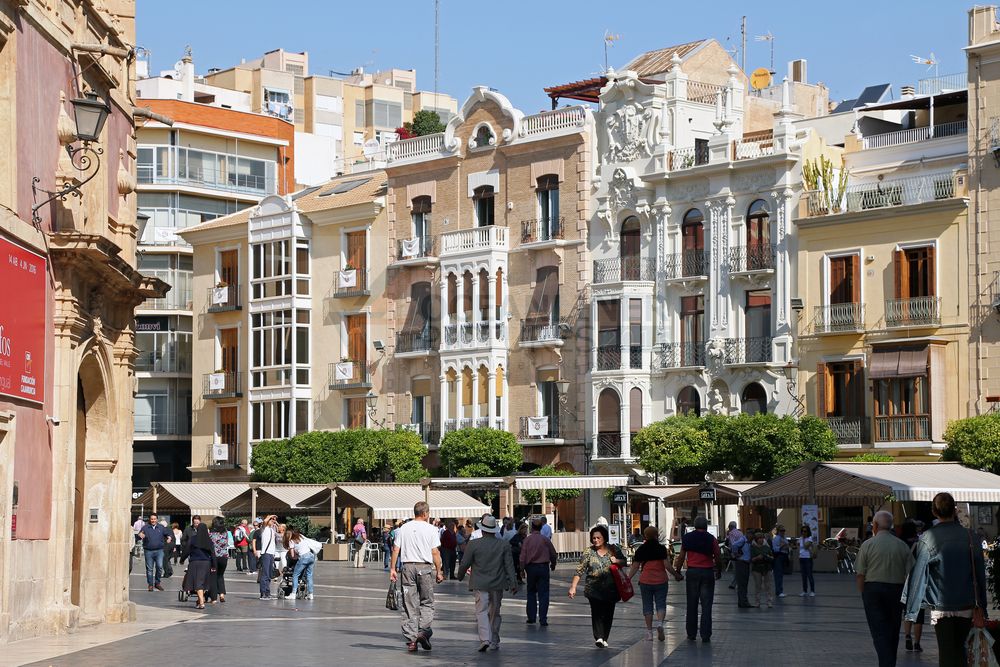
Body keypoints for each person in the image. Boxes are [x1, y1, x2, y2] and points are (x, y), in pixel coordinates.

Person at [904, 492, 989, 666]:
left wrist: (911, 610)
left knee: (947, 651)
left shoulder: (927, 538)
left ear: (934, 512)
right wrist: (983, 606)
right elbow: (980, 574)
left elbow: (918, 575)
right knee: (959, 649)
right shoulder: (971, 536)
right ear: (955, 510)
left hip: (942, 605)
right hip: (967, 603)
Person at [855, 511, 914, 667]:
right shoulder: (902, 546)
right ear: (891, 526)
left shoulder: (867, 545)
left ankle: (886, 663)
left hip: (872, 590)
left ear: (874, 525)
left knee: (879, 631)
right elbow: (911, 573)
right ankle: (889, 662)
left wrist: (863, 593)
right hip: (897, 590)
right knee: (893, 630)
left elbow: (860, 574)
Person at [457, 515, 518, 652]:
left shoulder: (473, 544)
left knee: (481, 611)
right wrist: (513, 582)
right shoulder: (503, 545)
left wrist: (460, 576)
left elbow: (465, 563)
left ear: (482, 530)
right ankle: (494, 640)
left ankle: (485, 639)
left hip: (480, 583)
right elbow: (509, 565)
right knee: (495, 612)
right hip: (498, 583)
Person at [390, 501, 445, 652]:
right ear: (426, 513)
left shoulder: (403, 528)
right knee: (427, 601)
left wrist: (393, 568)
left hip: (407, 567)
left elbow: (396, 549)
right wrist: (439, 571)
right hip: (424, 568)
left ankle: (411, 640)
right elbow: (435, 552)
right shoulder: (431, 529)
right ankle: (423, 631)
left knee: (409, 604)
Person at [569, 525, 627, 649]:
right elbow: (580, 570)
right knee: (596, 612)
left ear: (604, 538)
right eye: (594, 538)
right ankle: (599, 637)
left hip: (611, 589)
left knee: (608, 613)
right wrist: (573, 587)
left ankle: (605, 637)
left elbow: (625, 561)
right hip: (593, 589)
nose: (596, 540)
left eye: (598, 538)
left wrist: (616, 561)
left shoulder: (613, 549)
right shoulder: (588, 552)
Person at [628, 525, 682, 641]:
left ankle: (649, 632)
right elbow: (667, 565)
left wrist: (628, 579)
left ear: (645, 536)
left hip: (645, 581)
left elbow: (635, 566)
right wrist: (677, 575)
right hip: (661, 581)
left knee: (647, 605)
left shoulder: (641, 549)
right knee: (661, 604)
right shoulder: (661, 548)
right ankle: (660, 624)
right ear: (657, 535)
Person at [677, 516, 723, 642]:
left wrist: (677, 571)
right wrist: (719, 570)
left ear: (695, 525)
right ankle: (705, 634)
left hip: (692, 572)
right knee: (707, 605)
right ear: (706, 526)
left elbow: (681, 557)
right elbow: (718, 556)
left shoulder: (687, 538)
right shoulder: (711, 538)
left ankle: (691, 633)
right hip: (707, 572)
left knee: (691, 604)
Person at [520, 517, 558, 626]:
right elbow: (553, 553)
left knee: (531, 592)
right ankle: (543, 619)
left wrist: (522, 570)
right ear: (541, 527)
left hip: (531, 568)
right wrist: (553, 564)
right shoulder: (545, 539)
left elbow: (522, 557)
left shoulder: (527, 540)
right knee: (544, 594)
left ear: (532, 527)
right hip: (543, 568)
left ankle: (531, 617)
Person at [899, 520, 925, 653]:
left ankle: (907, 635)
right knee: (919, 614)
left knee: (907, 611)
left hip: (905, 581)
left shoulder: (900, 543)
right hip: (919, 579)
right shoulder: (921, 542)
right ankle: (917, 643)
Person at [182, 522, 216, 609]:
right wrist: (213, 565)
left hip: (195, 563)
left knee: (198, 582)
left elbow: (186, 550)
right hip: (206, 563)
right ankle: (200, 600)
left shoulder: (193, 539)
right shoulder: (209, 541)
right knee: (202, 582)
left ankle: (201, 602)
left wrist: (182, 559)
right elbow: (212, 554)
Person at [139, 512, 172, 592]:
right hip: (148, 551)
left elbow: (169, 534)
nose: (153, 520)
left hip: (159, 551)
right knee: (149, 569)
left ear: (157, 519)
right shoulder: (145, 527)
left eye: (154, 519)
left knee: (159, 567)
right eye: (152, 519)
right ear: (150, 520)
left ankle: (157, 583)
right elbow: (140, 534)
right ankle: (150, 585)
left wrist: (169, 538)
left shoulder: (161, 527)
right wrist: (140, 535)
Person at [285, 528, 318, 600]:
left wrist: (295, 556)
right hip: (311, 556)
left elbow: (293, 556)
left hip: (303, 557)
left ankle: (293, 594)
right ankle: (310, 594)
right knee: (309, 575)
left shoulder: (291, 541)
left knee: (295, 575)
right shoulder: (301, 537)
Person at [727, 522, 752, 608]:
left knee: (743, 583)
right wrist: (736, 554)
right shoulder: (742, 538)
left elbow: (732, 544)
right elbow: (734, 544)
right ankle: (742, 602)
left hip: (745, 562)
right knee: (742, 583)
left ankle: (743, 601)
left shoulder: (747, 541)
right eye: (750, 534)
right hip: (742, 562)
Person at [206, 516, 230, 604]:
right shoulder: (226, 533)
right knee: (220, 576)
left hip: (214, 557)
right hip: (224, 556)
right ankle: (222, 594)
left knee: (213, 577)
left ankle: (213, 597)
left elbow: (208, 545)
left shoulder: (211, 534)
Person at [750, 531, 775, 608]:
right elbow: (751, 559)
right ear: (756, 539)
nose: (761, 540)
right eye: (759, 538)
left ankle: (769, 602)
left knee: (768, 585)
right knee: (758, 586)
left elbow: (772, 557)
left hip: (767, 567)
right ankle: (757, 602)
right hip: (757, 568)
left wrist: (767, 556)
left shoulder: (767, 547)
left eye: (762, 538)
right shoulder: (753, 547)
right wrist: (758, 557)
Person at [256, 515, 278, 600]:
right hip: (265, 553)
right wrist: (270, 516)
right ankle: (263, 593)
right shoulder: (264, 529)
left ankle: (268, 593)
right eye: (271, 520)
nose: (273, 521)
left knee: (269, 574)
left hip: (271, 553)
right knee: (265, 574)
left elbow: (280, 528)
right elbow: (265, 521)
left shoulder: (272, 530)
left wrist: (275, 521)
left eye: (274, 520)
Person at [770, 524, 789, 598]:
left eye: (784, 530)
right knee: (778, 574)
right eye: (781, 530)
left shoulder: (784, 538)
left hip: (784, 556)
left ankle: (780, 590)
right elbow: (775, 549)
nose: (783, 532)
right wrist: (783, 546)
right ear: (778, 531)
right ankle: (779, 591)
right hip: (778, 556)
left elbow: (787, 546)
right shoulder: (776, 538)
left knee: (780, 574)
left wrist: (785, 546)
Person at [799, 524, 817, 596]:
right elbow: (800, 548)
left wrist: (803, 539)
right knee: (803, 576)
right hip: (801, 558)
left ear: (808, 532)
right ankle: (804, 591)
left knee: (809, 575)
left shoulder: (810, 538)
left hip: (808, 558)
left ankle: (812, 591)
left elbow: (805, 546)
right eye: (802, 531)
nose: (803, 533)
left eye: (805, 531)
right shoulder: (800, 538)